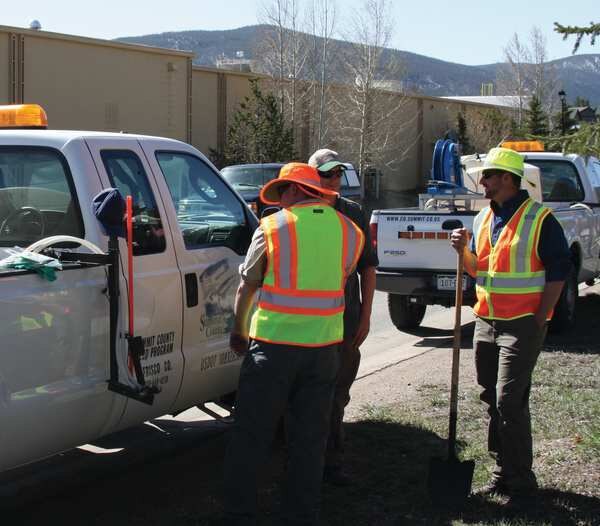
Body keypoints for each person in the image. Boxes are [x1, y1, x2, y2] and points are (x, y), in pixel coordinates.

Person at [224, 162, 365, 526]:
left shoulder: (271, 228)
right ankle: (301, 514)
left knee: (252, 434)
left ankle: (239, 513)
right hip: (324, 352)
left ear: (295, 191)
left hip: (274, 347)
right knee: (309, 439)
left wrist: (239, 331)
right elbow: (342, 277)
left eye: (283, 191)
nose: (281, 200)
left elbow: (247, 286)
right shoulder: (350, 232)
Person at [450, 147, 571, 502]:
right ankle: (503, 472)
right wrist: (462, 252)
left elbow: (559, 270)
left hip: (521, 324)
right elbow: (479, 270)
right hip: (486, 320)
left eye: (487, 175)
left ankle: (519, 480)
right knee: (492, 397)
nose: (482, 181)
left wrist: (541, 316)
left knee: (508, 400)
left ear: (506, 178)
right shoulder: (483, 218)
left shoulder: (540, 219)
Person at [307, 148, 378, 486]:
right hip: (306, 324)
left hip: (346, 322)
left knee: (337, 394)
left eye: (338, 173)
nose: (334, 179)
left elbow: (368, 268)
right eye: (326, 173)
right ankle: (306, 463)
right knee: (310, 395)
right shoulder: (297, 213)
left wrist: (365, 318)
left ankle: (331, 464)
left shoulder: (353, 213)